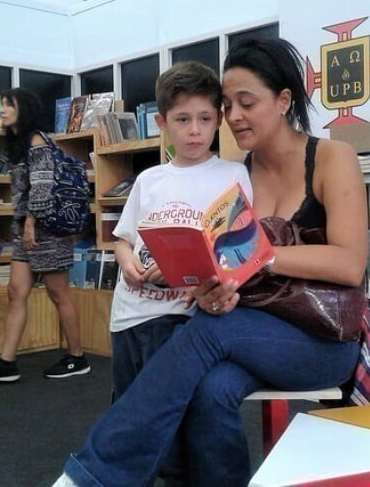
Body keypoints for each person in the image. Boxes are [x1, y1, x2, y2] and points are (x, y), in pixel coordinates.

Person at [54, 38, 370, 487]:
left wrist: (255, 255)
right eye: (227, 104)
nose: (233, 116)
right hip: (250, 328)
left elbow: (349, 263)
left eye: (247, 103)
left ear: (283, 100)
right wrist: (213, 289)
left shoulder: (330, 157)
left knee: (204, 333)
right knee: (210, 388)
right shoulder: (238, 172)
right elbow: (229, 270)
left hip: (320, 339)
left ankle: (93, 474)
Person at [109, 61, 252, 485]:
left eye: (205, 119)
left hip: (180, 318)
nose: (194, 131)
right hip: (128, 315)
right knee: (130, 413)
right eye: (183, 120)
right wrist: (125, 260)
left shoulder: (233, 174)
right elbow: (122, 238)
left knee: (176, 419)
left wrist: (193, 272)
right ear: (162, 122)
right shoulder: (149, 180)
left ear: (219, 120)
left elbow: (239, 249)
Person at [0, 88, 89, 383]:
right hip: (26, 230)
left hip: (45, 230)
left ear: (24, 108)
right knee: (16, 292)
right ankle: (7, 362)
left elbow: (43, 187)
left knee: (59, 294)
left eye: (8, 105)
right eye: (2, 106)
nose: (3, 110)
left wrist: (32, 223)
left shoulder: (37, 142)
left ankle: (77, 357)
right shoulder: (20, 144)